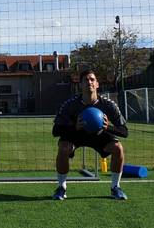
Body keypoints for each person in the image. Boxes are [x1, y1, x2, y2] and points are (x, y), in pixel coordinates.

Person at [51, 69, 129, 201]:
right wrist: (74, 126)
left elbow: (124, 131)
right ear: (80, 85)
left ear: (97, 84)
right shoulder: (70, 104)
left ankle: (116, 187)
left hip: (100, 135)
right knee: (63, 147)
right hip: (76, 135)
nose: (89, 82)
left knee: (118, 148)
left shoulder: (108, 105)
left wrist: (107, 127)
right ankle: (61, 187)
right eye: (85, 80)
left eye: (92, 79)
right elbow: (55, 131)